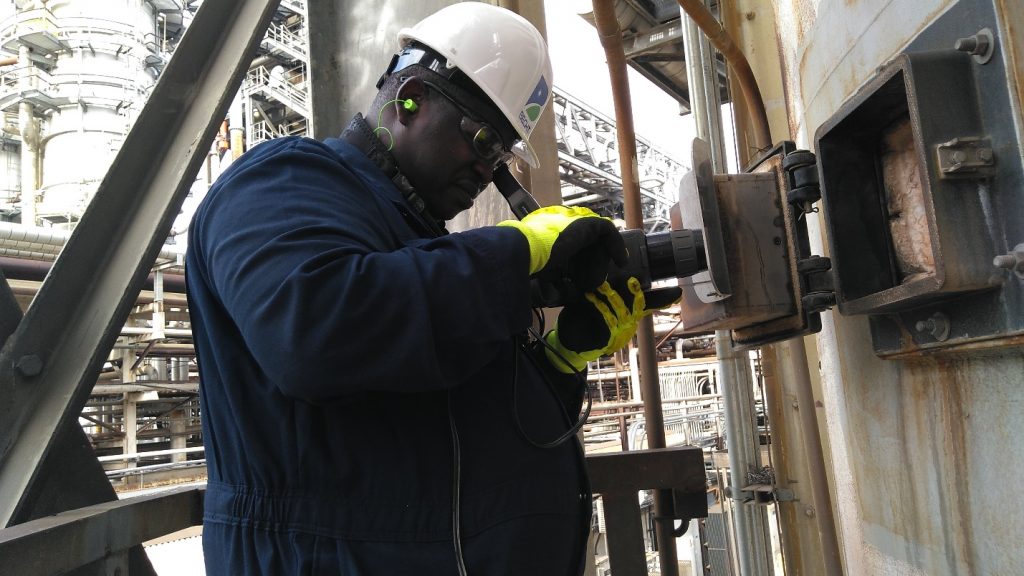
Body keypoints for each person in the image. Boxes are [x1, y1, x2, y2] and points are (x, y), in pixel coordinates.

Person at [185, 3, 679, 574]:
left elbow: (443, 421)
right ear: (410, 98)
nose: (488, 172)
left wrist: (558, 364)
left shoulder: (420, 246)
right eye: (483, 141)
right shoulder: (283, 180)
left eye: (501, 157)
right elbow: (314, 333)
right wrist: (514, 250)